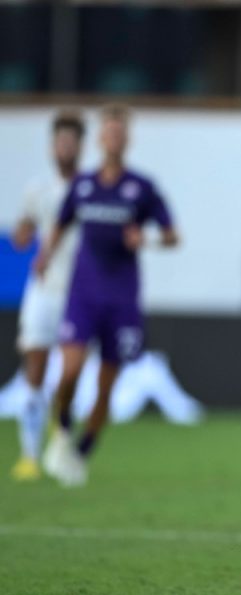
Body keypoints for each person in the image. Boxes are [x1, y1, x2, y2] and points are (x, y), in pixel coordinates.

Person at [36, 104, 180, 487]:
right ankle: (63, 430)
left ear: (126, 140)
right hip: (83, 294)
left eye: (120, 133)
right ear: (100, 138)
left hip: (122, 298)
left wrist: (146, 238)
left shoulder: (142, 188)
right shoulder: (83, 185)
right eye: (108, 132)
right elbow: (60, 224)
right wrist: (45, 254)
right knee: (69, 372)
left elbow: (173, 234)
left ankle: (82, 453)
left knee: (105, 386)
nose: (113, 138)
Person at [9, 111, 86, 482]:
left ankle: (62, 436)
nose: (64, 148)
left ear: (80, 147)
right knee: (34, 369)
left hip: (80, 292)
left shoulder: (89, 189)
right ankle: (29, 454)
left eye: (71, 142)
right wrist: (22, 233)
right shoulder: (37, 189)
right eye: (60, 142)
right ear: (53, 146)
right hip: (43, 290)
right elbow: (23, 233)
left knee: (70, 372)